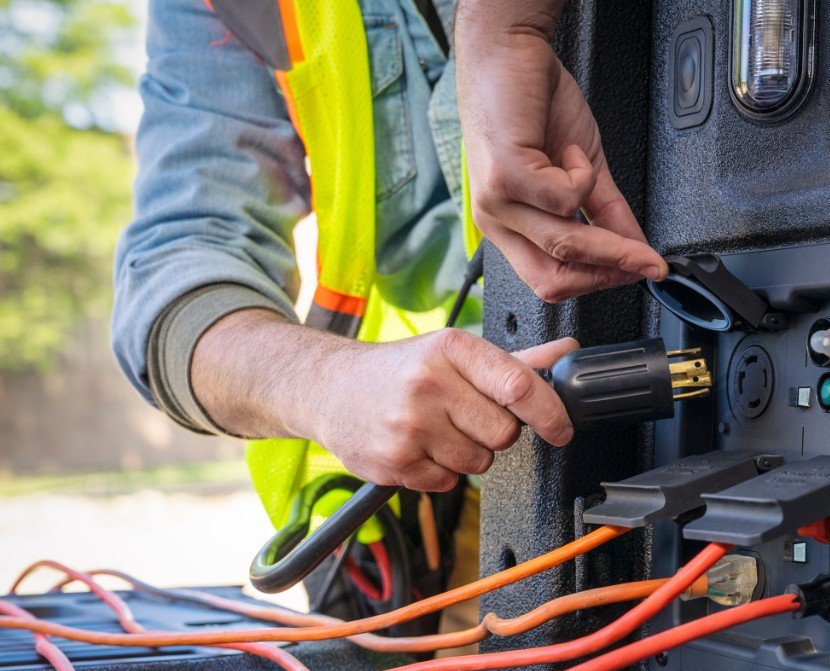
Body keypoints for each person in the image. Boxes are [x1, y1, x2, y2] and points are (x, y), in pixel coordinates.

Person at [111, 0, 666, 623]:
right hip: (444, 504)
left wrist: (506, 26)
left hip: (659, 435)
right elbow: (172, 278)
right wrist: (330, 386)